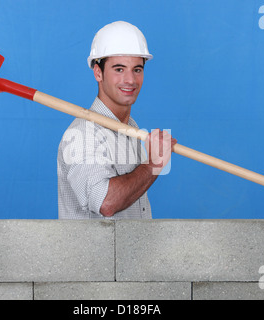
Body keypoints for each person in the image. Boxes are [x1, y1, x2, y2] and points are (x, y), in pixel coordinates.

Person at [57, 21, 176, 219]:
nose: (130, 80)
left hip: (130, 250)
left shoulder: (131, 129)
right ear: (98, 72)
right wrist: (153, 164)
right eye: (119, 69)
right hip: (94, 251)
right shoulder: (81, 134)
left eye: (137, 69)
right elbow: (106, 202)